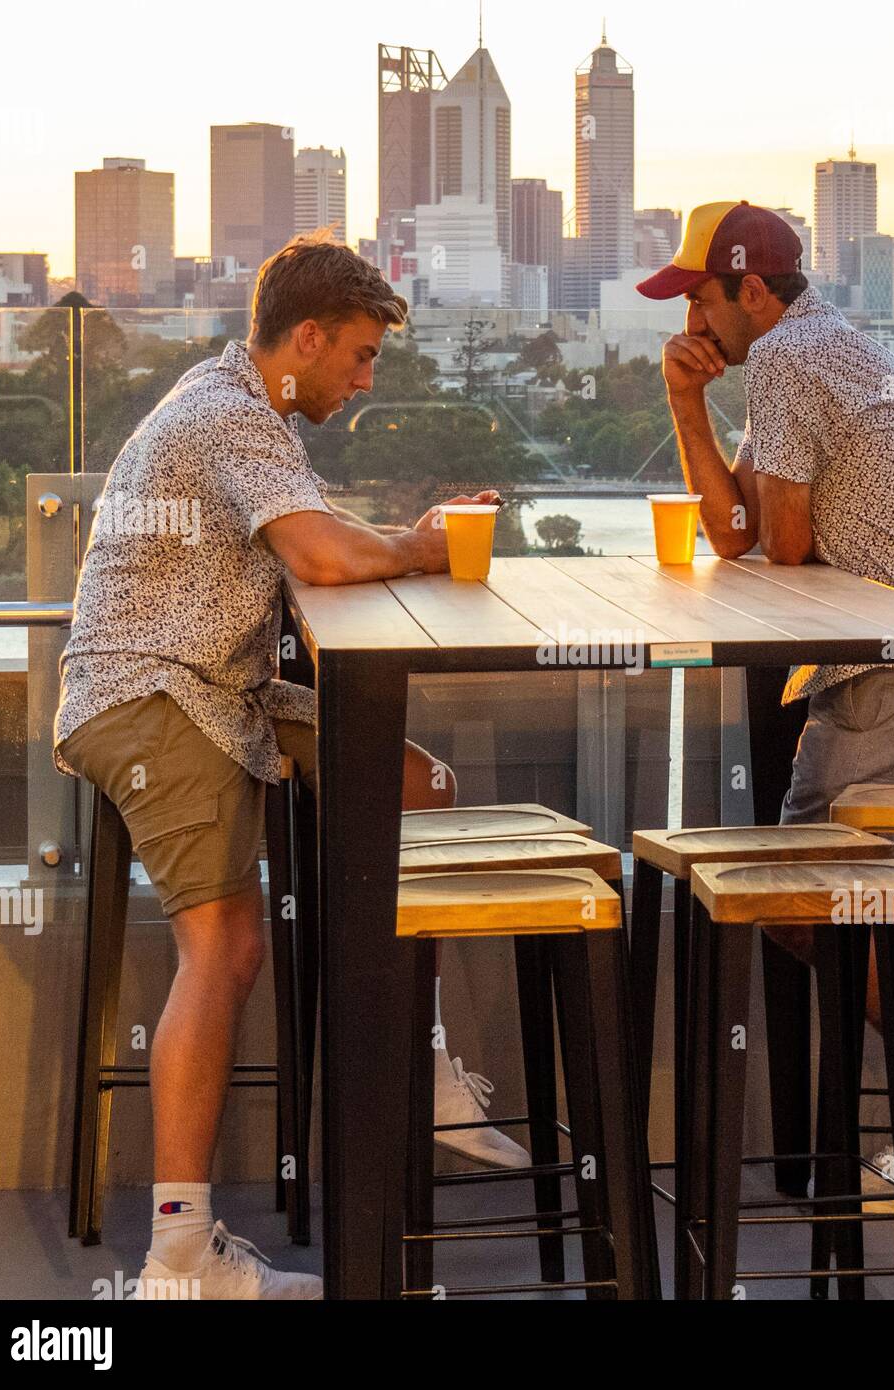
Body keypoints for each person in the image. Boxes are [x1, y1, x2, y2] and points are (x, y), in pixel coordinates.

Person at [53, 232, 527, 1301]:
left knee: (420, 784)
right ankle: (179, 1263)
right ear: (305, 338)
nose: (365, 381)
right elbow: (319, 555)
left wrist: (397, 539)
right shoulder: (230, 411)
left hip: (226, 686)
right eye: (359, 356)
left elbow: (316, 534)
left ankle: (427, 1065)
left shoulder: (241, 402)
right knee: (224, 946)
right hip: (151, 692)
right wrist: (426, 543)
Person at [638, 200, 894, 1083]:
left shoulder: (789, 357)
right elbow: (733, 531)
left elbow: (777, 544)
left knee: (795, 903)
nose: (691, 321)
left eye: (700, 299)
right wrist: (684, 400)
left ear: (751, 289)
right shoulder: (823, 346)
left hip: (888, 676)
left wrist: (697, 405)